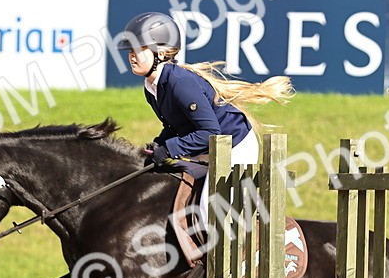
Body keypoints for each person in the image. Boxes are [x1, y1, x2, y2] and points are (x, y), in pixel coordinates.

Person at [117, 11, 293, 171]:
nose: (132, 55)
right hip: (206, 149)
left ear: (161, 54)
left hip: (233, 149)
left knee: (204, 205)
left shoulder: (181, 83)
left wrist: (169, 149)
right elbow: (174, 125)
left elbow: (210, 132)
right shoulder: (151, 87)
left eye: (139, 49)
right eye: (130, 50)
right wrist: (158, 144)